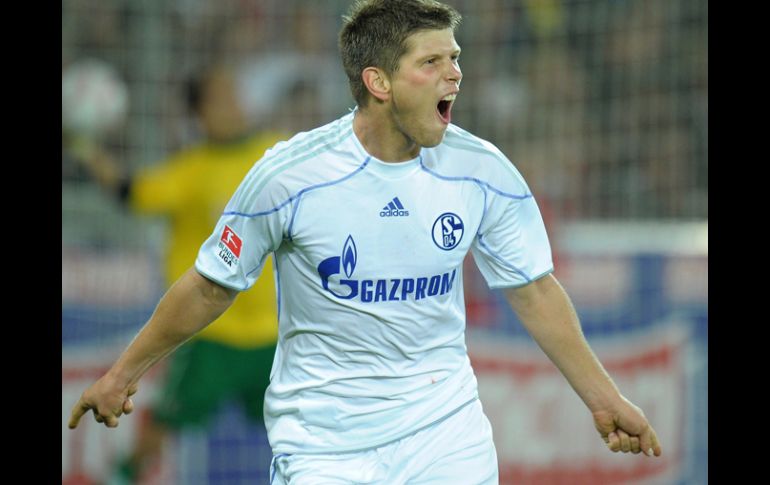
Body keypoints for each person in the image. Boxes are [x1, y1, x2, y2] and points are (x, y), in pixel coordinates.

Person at [68, 1, 662, 483]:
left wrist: (603, 399)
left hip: (444, 431)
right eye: (431, 62)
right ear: (377, 81)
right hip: (325, 443)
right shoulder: (289, 175)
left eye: (454, 58)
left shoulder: (483, 171)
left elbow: (534, 290)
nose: (454, 73)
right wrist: (123, 374)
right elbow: (208, 286)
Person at [67, 65, 285, 484]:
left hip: (273, 334)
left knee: (305, 431)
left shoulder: (275, 153)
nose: (234, 105)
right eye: (220, 98)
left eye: (234, 93)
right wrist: (82, 147)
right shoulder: (189, 171)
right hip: (209, 338)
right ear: (199, 114)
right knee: (162, 426)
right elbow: (130, 192)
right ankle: (122, 477)